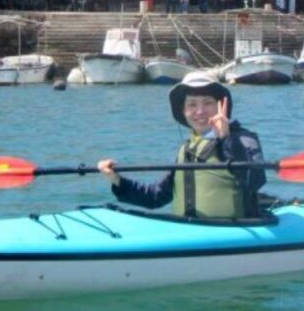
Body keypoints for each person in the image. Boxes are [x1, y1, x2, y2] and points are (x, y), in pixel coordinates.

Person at [97, 73, 267, 219]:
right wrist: (116, 179)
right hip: (190, 232)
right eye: (192, 104)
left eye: (207, 103)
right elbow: (156, 197)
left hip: (233, 236)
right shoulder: (186, 150)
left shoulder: (244, 139)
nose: (200, 111)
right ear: (183, 111)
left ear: (221, 106)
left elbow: (256, 180)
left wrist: (226, 139)